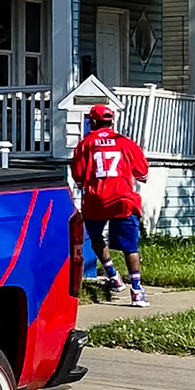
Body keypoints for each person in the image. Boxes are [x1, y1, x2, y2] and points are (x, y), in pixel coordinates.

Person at [69, 103, 152, 306]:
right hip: (122, 200)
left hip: (96, 200)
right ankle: (137, 291)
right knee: (130, 247)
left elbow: (78, 177)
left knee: (96, 237)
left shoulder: (85, 144)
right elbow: (143, 173)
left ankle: (112, 275)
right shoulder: (125, 143)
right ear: (111, 121)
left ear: (93, 122)